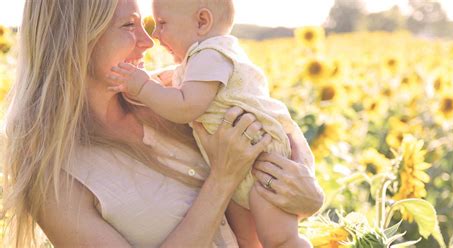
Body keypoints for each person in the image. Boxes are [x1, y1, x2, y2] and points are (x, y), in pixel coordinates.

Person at [2, 0, 324, 247]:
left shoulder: (174, 99)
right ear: (75, 41)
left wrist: (308, 196)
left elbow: (265, 178)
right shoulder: (54, 178)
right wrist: (222, 178)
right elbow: (231, 178)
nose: (148, 41)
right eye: (129, 26)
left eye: (148, 25)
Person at [107, 0, 314, 246]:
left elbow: (185, 106)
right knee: (246, 241)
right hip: (241, 159)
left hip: (261, 161)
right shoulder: (201, 59)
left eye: (162, 24)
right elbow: (177, 80)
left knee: (281, 240)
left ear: (202, 22)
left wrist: (143, 87)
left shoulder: (211, 54)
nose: (155, 35)